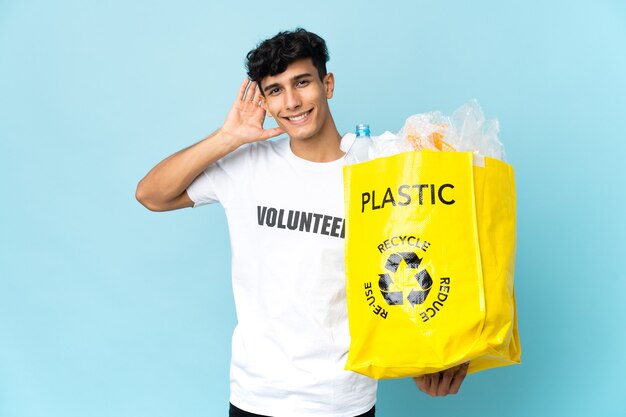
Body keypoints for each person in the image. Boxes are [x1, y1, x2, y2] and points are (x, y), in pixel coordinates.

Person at [135, 28, 468, 417]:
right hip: (256, 398)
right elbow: (151, 195)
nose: (291, 102)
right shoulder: (247, 164)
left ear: (327, 83)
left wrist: (433, 354)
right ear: (263, 100)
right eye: (274, 90)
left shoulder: (378, 167)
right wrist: (227, 137)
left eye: (302, 82)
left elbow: (426, 254)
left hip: (343, 401)